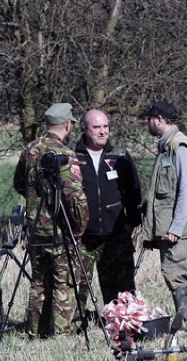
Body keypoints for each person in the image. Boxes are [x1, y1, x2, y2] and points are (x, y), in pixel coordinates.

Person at [12, 103, 89, 338]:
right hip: (60, 231)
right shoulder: (66, 155)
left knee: (38, 283)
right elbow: (74, 196)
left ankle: (35, 331)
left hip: (36, 229)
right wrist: (80, 225)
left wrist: (37, 202)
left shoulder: (30, 150)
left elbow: (19, 184)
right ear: (68, 125)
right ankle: (60, 334)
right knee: (62, 283)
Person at [140, 100, 187, 323]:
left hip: (176, 228)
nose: (148, 123)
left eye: (150, 119)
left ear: (160, 119)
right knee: (179, 271)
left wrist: (176, 228)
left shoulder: (180, 147)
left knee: (175, 272)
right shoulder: (167, 146)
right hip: (172, 226)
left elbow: (186, 191)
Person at [74, 108, 143, 308]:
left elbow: (134, 193)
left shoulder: (119, 155)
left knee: (122, 289)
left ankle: (123, 325)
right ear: (85, 129)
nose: (103, 131)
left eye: (106, 126)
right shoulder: (72, 156)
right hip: (83, 237)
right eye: (97, 127)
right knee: (77, 288)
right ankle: (77, 327)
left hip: (116, 235)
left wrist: (130, 225)